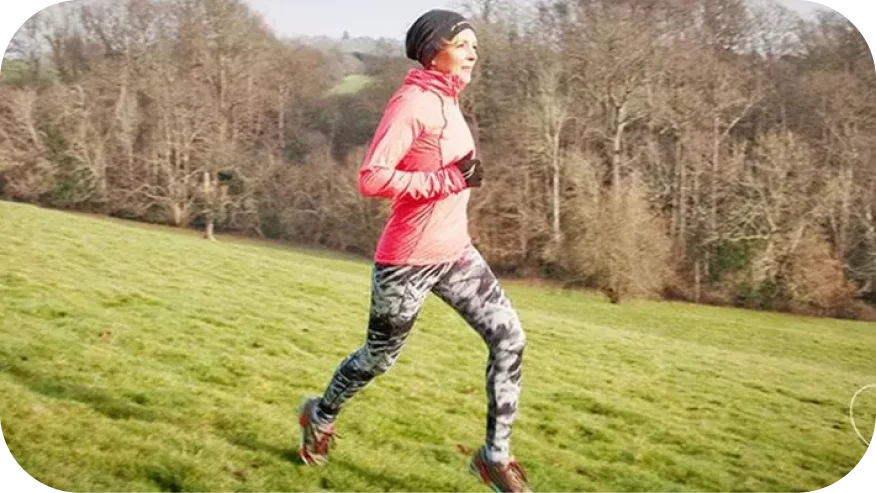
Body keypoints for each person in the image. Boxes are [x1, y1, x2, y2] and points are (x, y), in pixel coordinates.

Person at [296, 9, 533, 493]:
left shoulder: (448, 99)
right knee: (378, 358)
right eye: (462, 44)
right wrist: (447, 179)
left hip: (455, 252)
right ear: (433, 51)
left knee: (510, 338)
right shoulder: (413, 104)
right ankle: (320, 414)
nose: (473, 53)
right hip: (407, 261)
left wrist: (457, 175)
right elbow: (372, 177)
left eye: (474, 45)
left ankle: (494, 456)